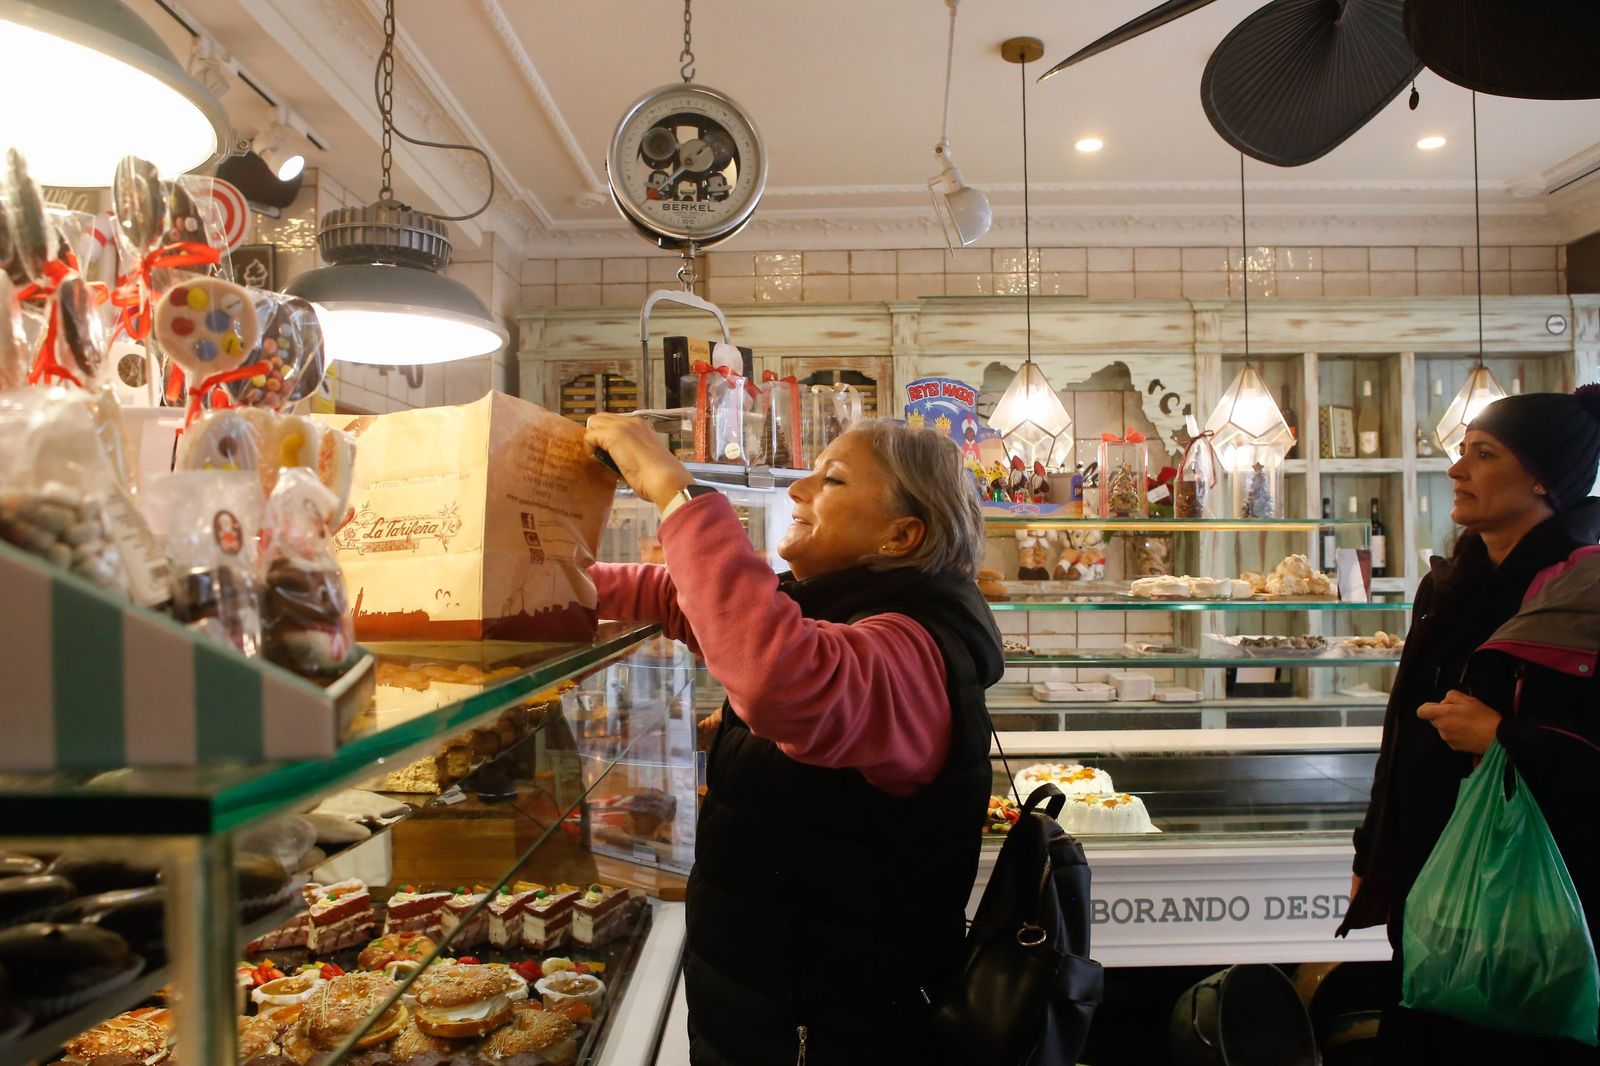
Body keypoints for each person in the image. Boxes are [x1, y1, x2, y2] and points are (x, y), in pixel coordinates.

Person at [583, 413, 1002, 1066]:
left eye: (831, 479)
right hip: (762, 1005)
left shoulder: (914, 649)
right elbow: (676, 595)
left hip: (832, 1029)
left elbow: (780, 678)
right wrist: (532, 587)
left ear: (901, 534)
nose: (798, 490)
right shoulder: (823, 610)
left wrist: (677, 491)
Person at [1340, 385, 1600, 1061]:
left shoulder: (1584, 592)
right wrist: (1375, 849)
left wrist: (1504, 739)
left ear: (1545, 478)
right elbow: (1402, 725)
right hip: (1434, 877)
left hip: (1537, 895)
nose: (1456, 469)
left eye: (1482, 455)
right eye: (1461, 452)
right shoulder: (1448, 583)